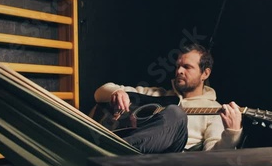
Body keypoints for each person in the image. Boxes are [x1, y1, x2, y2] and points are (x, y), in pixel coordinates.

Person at [94, 43, 243, 153]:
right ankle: (113, 150)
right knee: (173, 111)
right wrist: (117, 92)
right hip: (142, 154)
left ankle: (110, 151)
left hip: (171, 160)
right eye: (178, 66)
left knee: (176, 114)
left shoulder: (215, 110)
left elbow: (212, 157)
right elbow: (99, 93)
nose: (179, 71)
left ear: (205, 73)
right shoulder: (157, 95)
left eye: (187, 67)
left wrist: (232, 134)